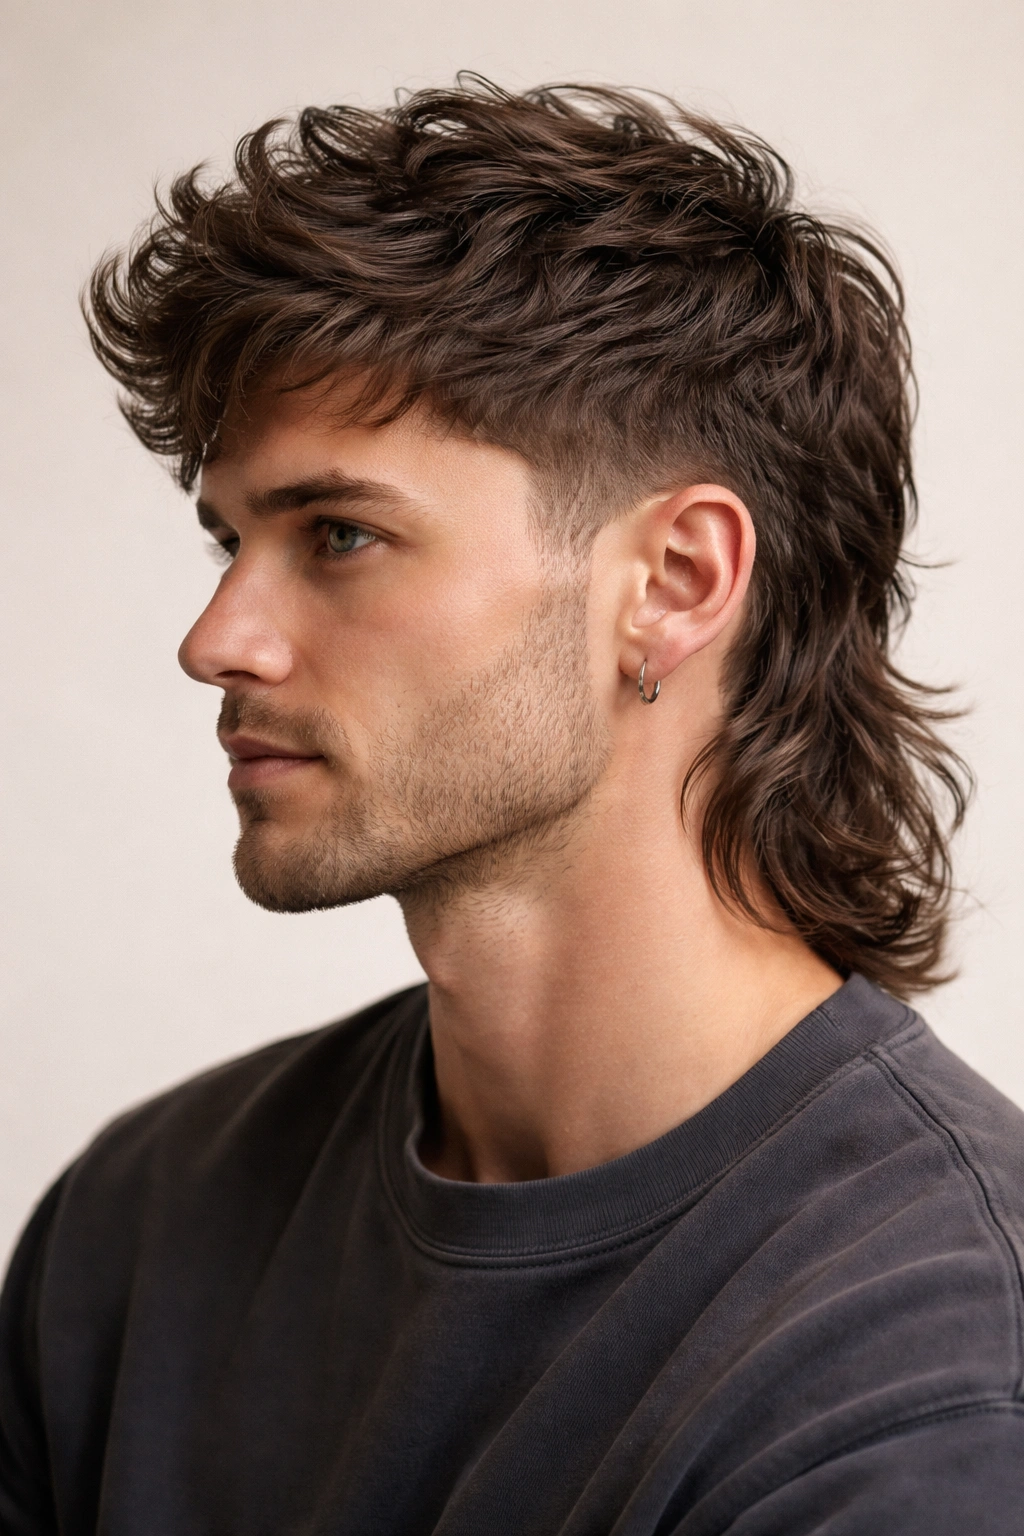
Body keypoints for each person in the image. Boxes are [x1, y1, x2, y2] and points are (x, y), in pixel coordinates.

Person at [2, 78, 1021, 1535]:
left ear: (672, 585)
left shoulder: (925, 1371)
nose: (218, 636)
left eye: (339, 533)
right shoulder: (144, 1226)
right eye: (230, 540)